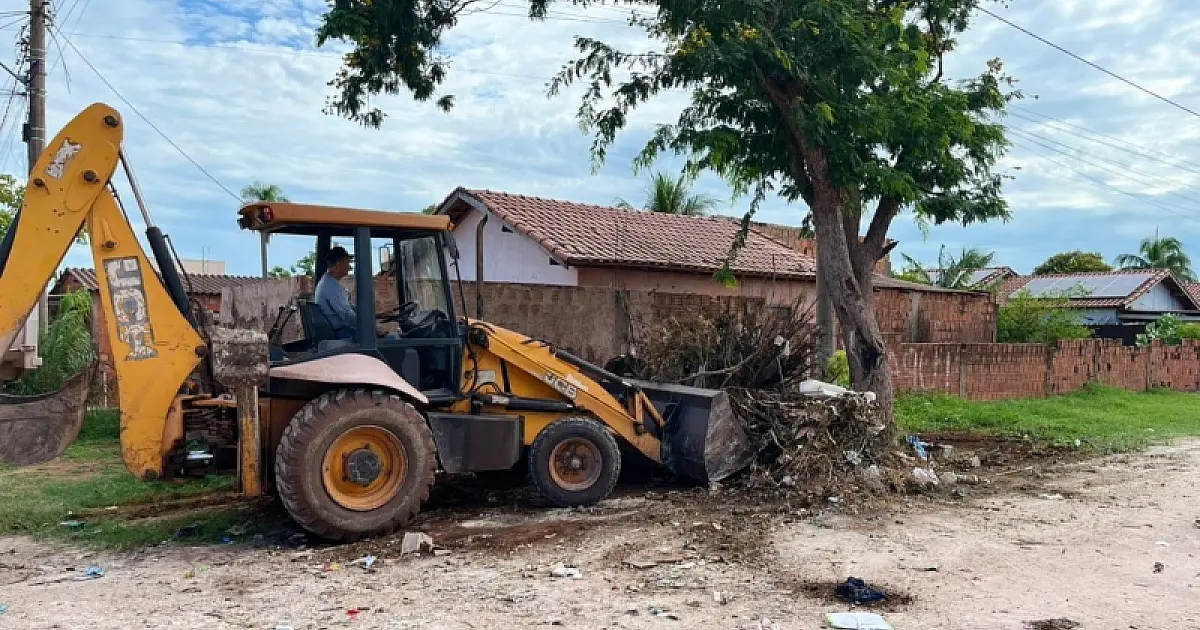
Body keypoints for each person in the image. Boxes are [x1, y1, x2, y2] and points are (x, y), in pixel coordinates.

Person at [315, 246, 358, 341]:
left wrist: (376, 315)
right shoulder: (330, 285)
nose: (349, 267)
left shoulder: (330, 283)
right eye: (347, 263)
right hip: (342, 332)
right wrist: (369, 328)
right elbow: (346, 314)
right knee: (389, 338)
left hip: (342, 330)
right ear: (338, 264)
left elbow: (349, 308)